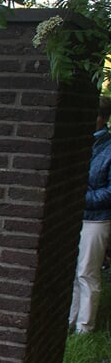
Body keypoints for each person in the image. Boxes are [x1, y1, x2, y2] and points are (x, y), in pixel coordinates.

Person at [70, 106, 111, 333]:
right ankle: (69, 320)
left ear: (102, 118)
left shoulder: (108, 147)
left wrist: (81, 198)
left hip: (97, 219)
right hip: (78, 217)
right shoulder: (81, 143)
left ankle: (85, 327)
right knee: (73, 272)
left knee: (87, 271)